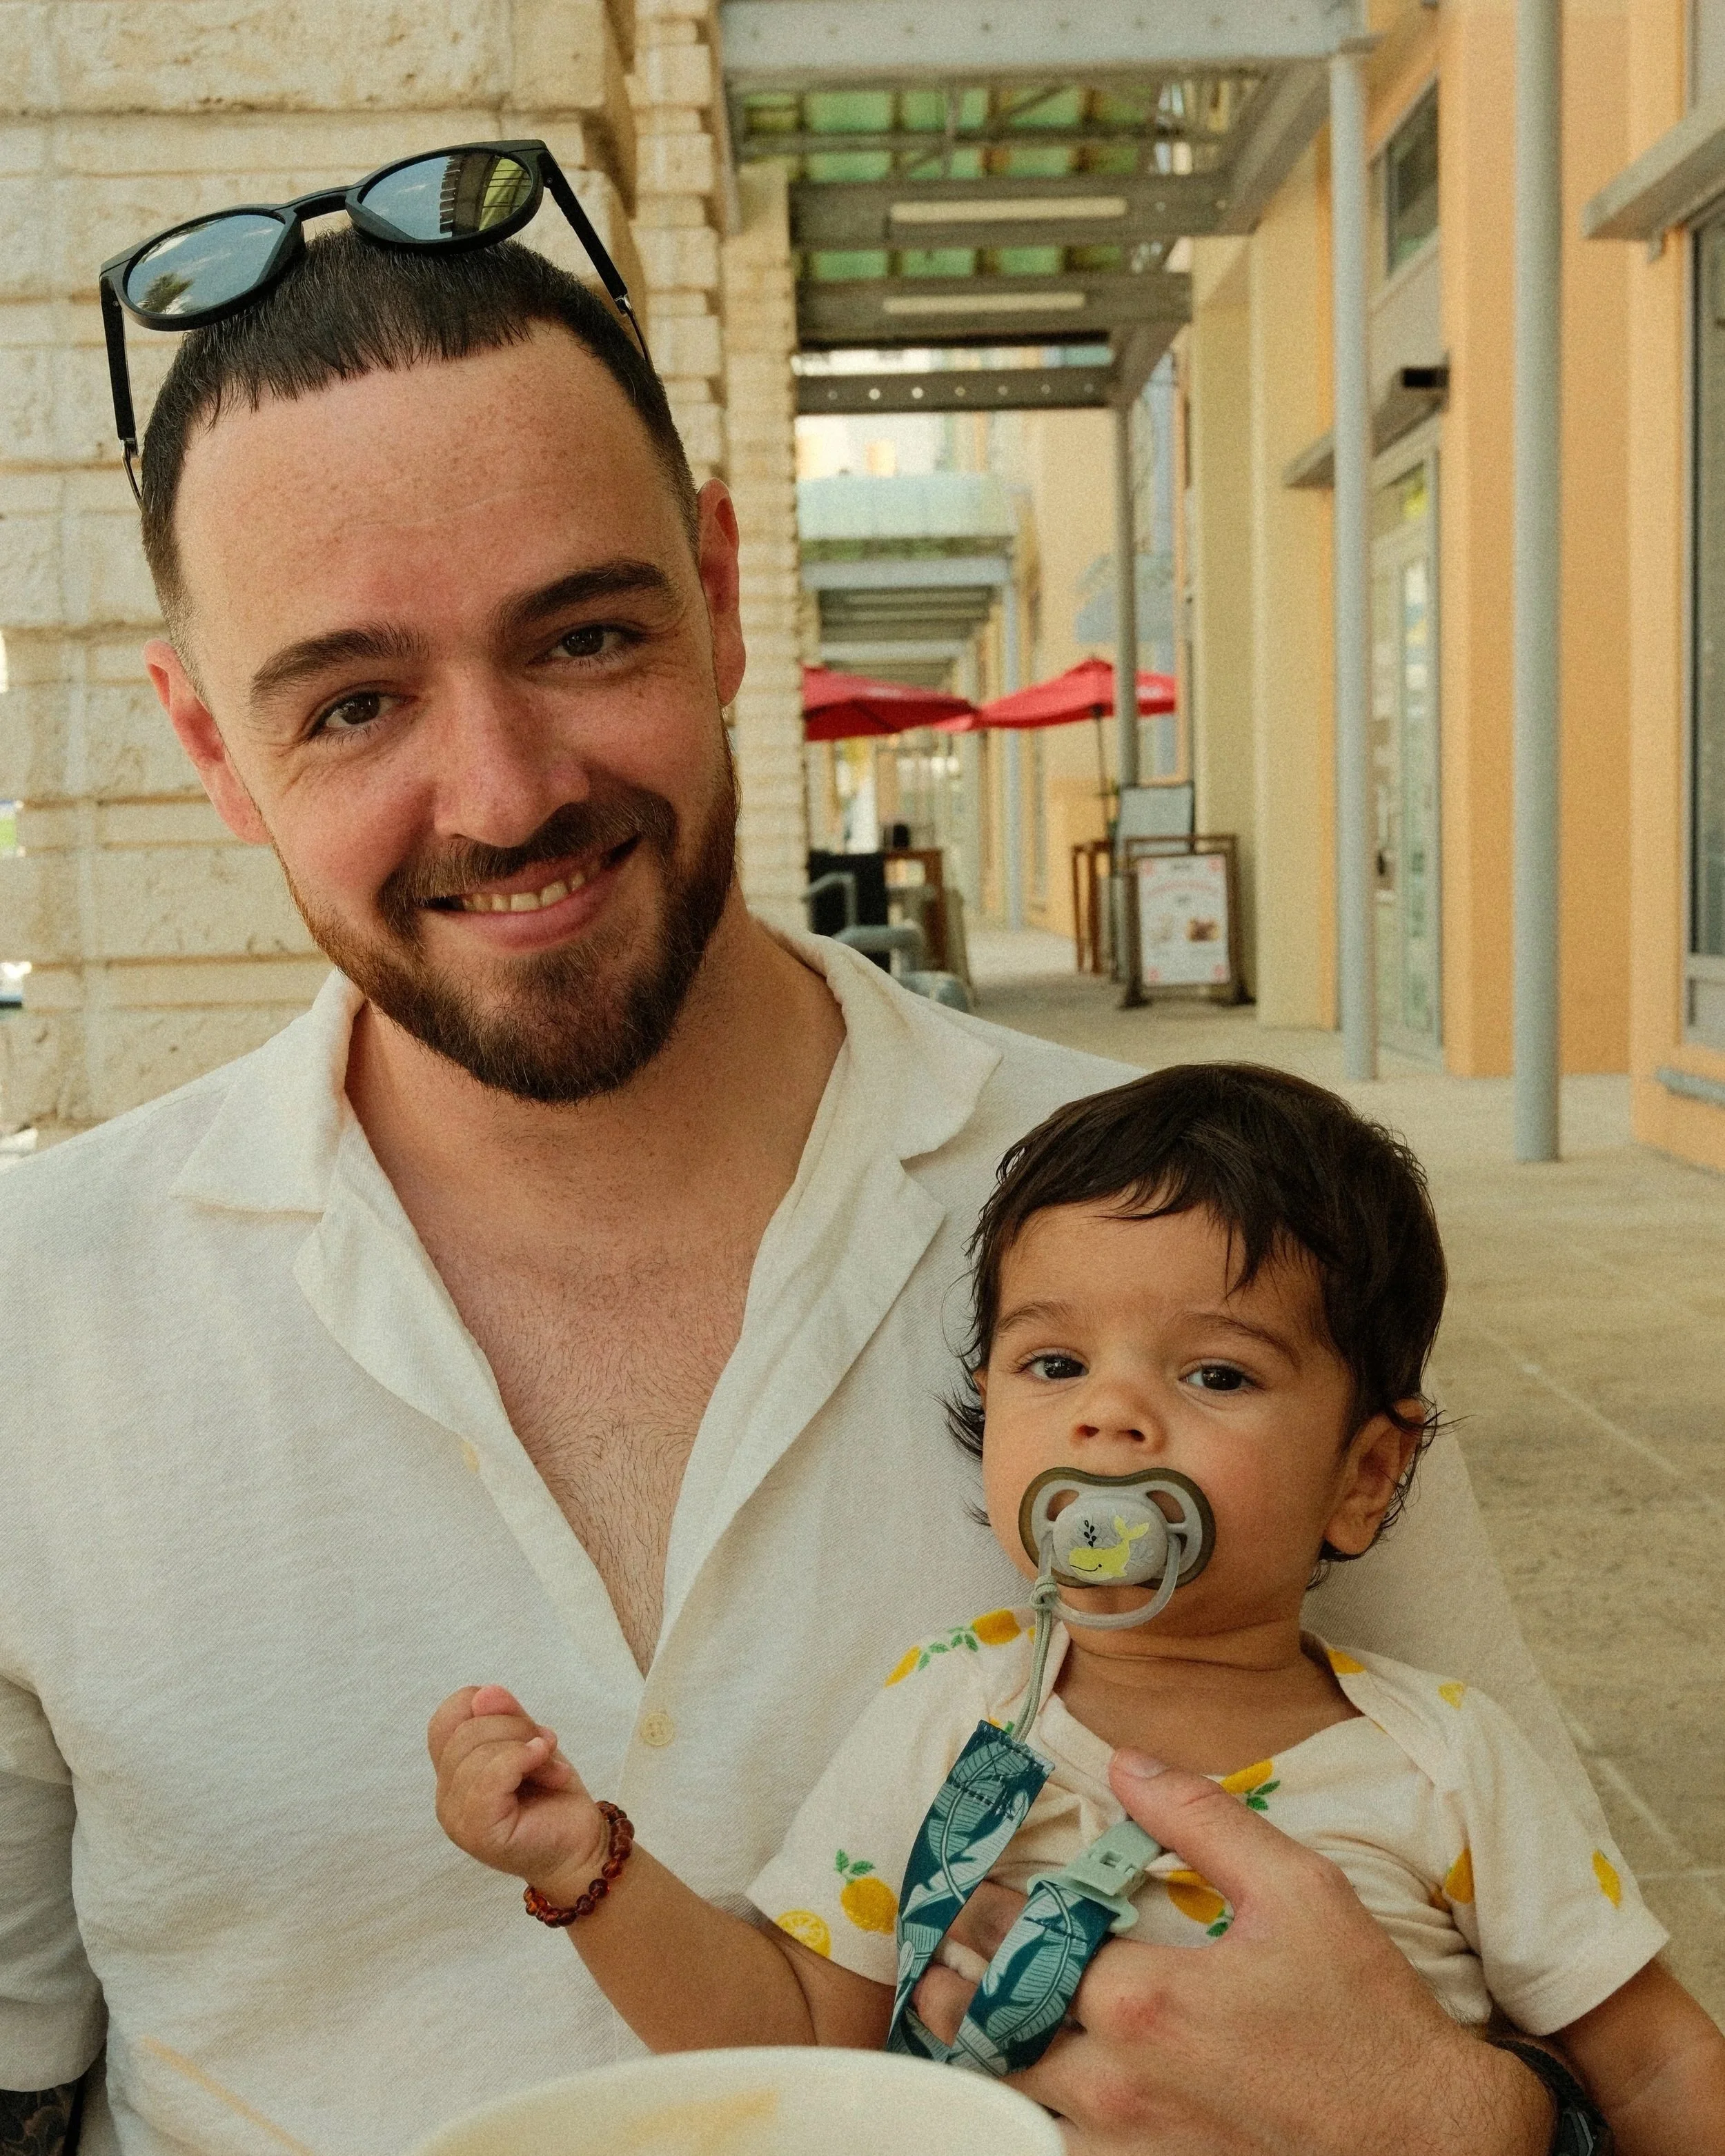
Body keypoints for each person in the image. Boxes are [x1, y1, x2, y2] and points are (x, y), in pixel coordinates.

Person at [0, 215, 1630, 2156]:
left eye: (584, 637)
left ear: (717, 594)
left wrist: (1473, 2124)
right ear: (211, 743)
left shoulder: (1203, 1237)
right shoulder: (38, 1311)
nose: (506, 793)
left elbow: (1577, 2001)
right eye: (353, 701)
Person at [431, 1065, 1725, 2151]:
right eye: (1055, 1363)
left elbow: (1661, 2066)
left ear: (1364, 1478)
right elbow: (799, 2038)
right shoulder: (953, 1707)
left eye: (1217, 1373)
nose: (1111, 1414)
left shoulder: (1446, 1762)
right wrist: (585, 1865)